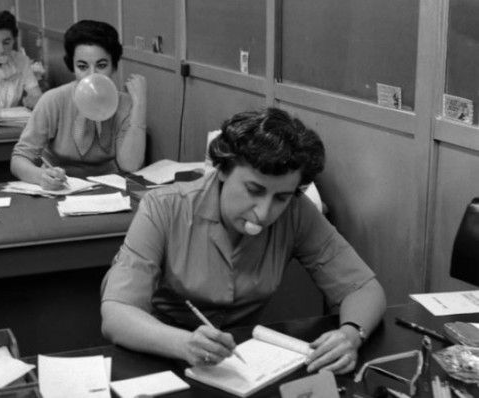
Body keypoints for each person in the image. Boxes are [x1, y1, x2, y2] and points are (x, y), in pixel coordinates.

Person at [101, 108, 386, 374]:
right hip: (158, 353)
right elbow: (117, 313)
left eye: (281, 197)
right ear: (222, 169)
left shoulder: (296, 212)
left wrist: (351, 334)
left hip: (242, 364)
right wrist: (184, 343)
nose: (264, 212)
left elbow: (363, 287)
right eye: (253, 190)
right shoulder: (164, 208)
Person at [11, 20, 146, 189]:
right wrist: (40, 176)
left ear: (114, 66)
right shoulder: (53, 100)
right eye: (82, 66)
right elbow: (19, 159)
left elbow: (130, 164)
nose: (92, 75)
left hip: (108, 190)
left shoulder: (124, 103)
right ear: (72, 67)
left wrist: (139, 104)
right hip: (60, 189)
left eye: (102, 65)